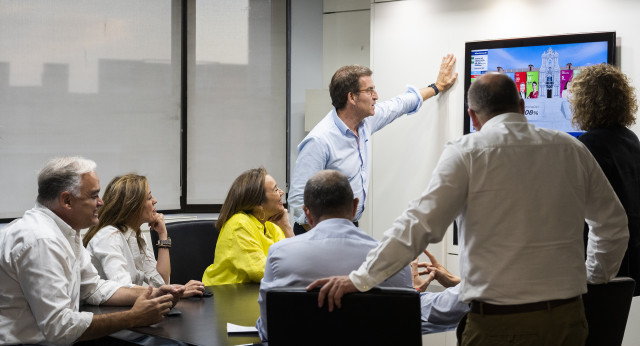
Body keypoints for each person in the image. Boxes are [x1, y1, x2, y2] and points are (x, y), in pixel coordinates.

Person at [308, 73, 629, 345]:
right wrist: (593, 278)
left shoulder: (467, 152)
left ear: (473, 116)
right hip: (566, 320)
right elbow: (613, 224)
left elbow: (417, 226)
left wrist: (360, 279)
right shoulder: (571, 148)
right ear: (521, 107)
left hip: (498, 325)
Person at [256, 170, 468, 341]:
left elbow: (268, 329)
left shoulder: (279, 254)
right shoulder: (394, 261)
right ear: (355, 206)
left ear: (307, 213)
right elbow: (404, 323)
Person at [0, 157, 184, 345]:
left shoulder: (66, 232)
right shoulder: (42, 240)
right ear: (67, 201)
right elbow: (60, 328)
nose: (101, 202)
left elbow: (93, 287)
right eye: (93, 195)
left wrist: (152, 294)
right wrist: (133, 317)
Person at [288, 54, 458, 234]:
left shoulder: (365, 122)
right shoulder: (320, 140)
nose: (376, 96)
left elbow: (400, 104)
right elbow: (298, 201)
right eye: (369, 91)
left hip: (348, 226)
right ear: (352, 97)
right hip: (316, 232)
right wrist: (321, 237)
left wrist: (437, 87)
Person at [571, 64, 640, 296]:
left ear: (584, 103)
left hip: (601, 263)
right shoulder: (631, 140)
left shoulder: (587, 145)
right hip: (632, 260)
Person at [83, 174, 205, 297]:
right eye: (149, 197)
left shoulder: (136, 237)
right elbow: (124, 289)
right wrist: (176, 292)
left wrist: (163, 235)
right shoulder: (108, 236)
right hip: (106, 312)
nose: (155, 200)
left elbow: (161, 282)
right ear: (132, 206)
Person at [202, 167, 294, 285]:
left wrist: (286, 227)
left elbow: (296, 260)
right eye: (276, 189)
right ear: (259, 203)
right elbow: (264, 272)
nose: (281, 192)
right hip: (225, 295)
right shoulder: (239, 224)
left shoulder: (271, 225)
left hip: (255, 292)